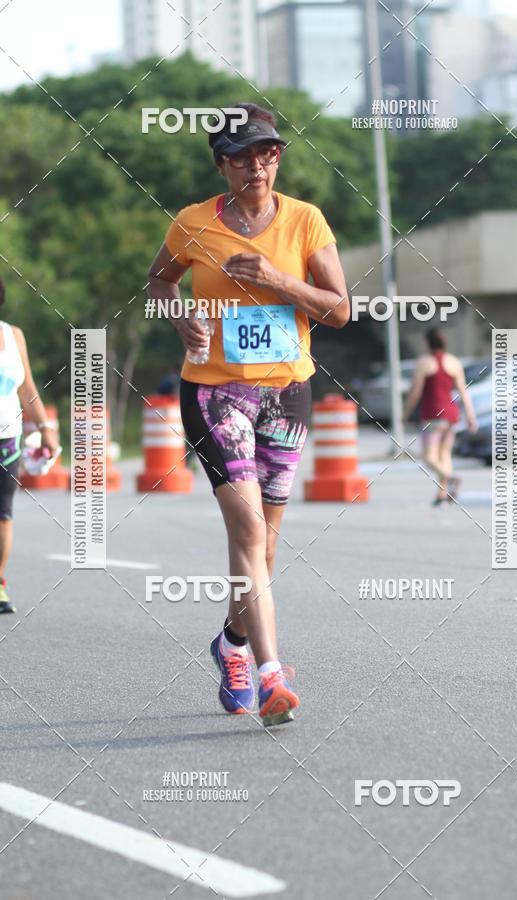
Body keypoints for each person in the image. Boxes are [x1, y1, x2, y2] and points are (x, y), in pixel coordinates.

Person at [147, 102, 349, 726]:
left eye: (268, 154)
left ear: (277, 158)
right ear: (222, 165)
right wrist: (177, 316)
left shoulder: (306, 222)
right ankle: (269, 676)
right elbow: (157, 282)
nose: (258, 166)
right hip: (214, 391)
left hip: (286, 392)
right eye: (242, 157)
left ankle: (231, 645)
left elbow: (340, 310)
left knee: (265, 549)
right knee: (247, 533)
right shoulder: (191, 223)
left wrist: (277, 280)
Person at [0, 279, 59, 613]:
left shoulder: (13, 335)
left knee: (3, 514)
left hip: (7, 436)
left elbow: (28, 389)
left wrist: (46, 429)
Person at [403, 328, 477, 505]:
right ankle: (442, 495)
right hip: (452, 415)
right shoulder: (454, 362)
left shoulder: (424, 362)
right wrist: (470, 416)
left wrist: (405, 413)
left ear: (427, 343)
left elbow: (415, 392)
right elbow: (463, 392)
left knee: (429, 458)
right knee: (444, 455)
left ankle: (450, 478)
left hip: (433, 415)